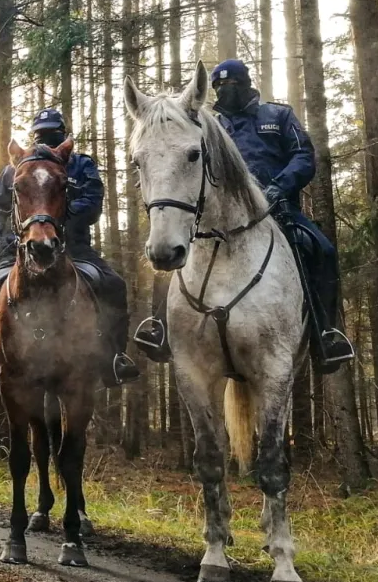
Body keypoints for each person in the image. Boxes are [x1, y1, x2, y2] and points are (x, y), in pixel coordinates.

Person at [133, 59, 354, 373]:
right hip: (217, 217)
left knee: (322, 250)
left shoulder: (278, 116)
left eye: (233, 83)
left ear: (247, 82)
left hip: (279, 210)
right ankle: (160, 327)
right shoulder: (209, 125)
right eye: (220, 85)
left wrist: (281, 185)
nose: (226, 89)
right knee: (170, 245)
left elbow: (303, 155)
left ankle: (326, 335)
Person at [0, 109, 141, 390]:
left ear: (62, 133)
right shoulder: (14, 170)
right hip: (20, 251)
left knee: (113, 285)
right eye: (41, 134)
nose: (46, 138)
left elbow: (92, 204)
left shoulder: (80, 165)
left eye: (52, 133)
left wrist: (59, 223)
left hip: (74, 249)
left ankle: (114, 357)